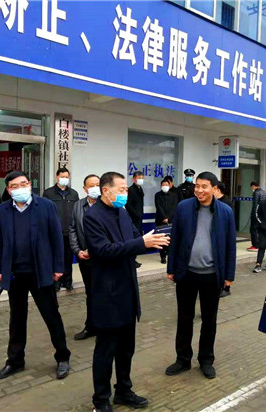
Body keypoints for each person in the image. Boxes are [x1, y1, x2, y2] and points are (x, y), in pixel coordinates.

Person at [84, 172, 169, 411]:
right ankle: (101, 400)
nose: (125, 194)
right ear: (106, 191)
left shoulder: (121, 212)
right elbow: (103, 250)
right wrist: (141, 243)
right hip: (107, 294)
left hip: (128, 291)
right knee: (105, 351)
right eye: (121, 190)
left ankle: (123, 391)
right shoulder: (92, 216)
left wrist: (150, 240)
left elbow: (133, 238)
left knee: (126, 349)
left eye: (126, 190)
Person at [0, 171, 71, 381]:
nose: (20, 188)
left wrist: (58, 267)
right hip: (15, 274)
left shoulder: (45, 206)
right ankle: (15, 361)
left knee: (51, 316)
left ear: (29, 184)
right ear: (8, 190)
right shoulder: (2, 210)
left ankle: (62, 357)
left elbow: (57, 238)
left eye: (23, 184)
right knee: (16, 320)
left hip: (40, 272)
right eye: (14, 186)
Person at [165, 172, 236, 380]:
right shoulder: (184, 207)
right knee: (184, 318)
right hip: (187, 273)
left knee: (209, 320)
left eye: (204, 186)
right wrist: (171, 268)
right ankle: (183, 359)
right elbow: (175, 238)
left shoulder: (225, 212)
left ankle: (206, 360)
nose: (199, 190)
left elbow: (230, 245)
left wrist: (229, 275)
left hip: (212, 275)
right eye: (197, 186)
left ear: (215, 189)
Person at [69, 174, 100, 341]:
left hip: (103, 259)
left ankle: (106, 326)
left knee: (104, 292)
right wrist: (78, 251)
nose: (95, 188)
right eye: (91, 185)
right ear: (85, 189)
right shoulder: (78, 205)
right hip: (85, 259)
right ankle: (91, 326)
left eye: (98, 184)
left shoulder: (108, 205)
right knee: (91, 293)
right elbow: (73, 229)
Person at [43, 167, 79, 291]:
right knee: (56, 257)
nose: (64, 179)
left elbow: (76, 211)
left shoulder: (73, 193)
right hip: (54, 231)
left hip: (69, 231)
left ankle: (67, 281)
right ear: (56, 177)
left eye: (66, 177)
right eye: (62, 177)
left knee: (68, 258)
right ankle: (56, 282)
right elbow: (44, 212)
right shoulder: (48, 193)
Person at [215, 181, 234, 298]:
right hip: (217, 235)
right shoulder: (213, 202)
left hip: (224, 236)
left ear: (217, 190)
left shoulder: (226, 203)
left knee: (225, 261)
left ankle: (226, 288)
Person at [155, 179, 179, 265]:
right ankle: (163, 256)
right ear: (161, 186)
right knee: (161, 239)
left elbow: (174, 207)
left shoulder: (174, 195)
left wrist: (168, 217)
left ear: (169, 185)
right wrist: (164, 217)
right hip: (160, 220)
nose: (165, 186)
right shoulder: (157, 195)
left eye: (166, 185)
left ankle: (170, 254)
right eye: (163, 185)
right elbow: (158, 206)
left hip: (171, 220)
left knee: (170, 239)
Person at [126, 171, 145, 268]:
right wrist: (136, 214)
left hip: (139, 217)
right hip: (133, 218)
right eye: (139, 178)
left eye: (142, 178)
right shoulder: (131, 189)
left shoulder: (140, 188)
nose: (141, 180)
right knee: (133, 239)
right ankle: (131, 260)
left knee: (137, 238)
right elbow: (128, 204)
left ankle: (134, 259)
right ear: (134, 179)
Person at [249, 181, 266, 252]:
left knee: (253, 229)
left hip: (256, 214)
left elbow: (255, 205)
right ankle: (260, 244)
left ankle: (255, 245)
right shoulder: (264, 192)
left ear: (253, 186)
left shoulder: (256, 193)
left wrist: (253, 214)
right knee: (260, 230)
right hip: (263, 214)